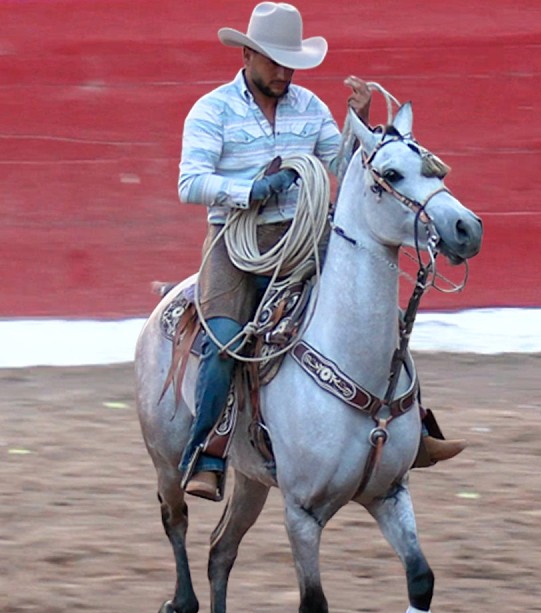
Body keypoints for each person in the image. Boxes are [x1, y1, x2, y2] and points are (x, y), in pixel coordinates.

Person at [177, 1, 465, 502]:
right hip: (236, 244)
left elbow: (343, 166)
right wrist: (251, 191)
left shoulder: (309, 107)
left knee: (378, 318)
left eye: (291, 62)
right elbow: (190, 182)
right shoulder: (212, 110)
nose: (284, 72)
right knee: (224, 340)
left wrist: (358, 119)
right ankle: (208, 453)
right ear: (246, 55)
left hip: (304, 236)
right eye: (274, 61)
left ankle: (415, 428)